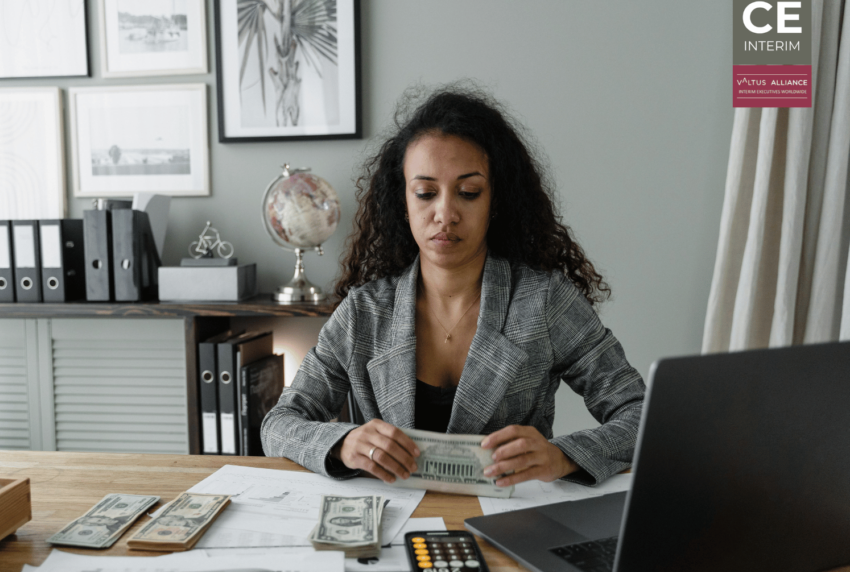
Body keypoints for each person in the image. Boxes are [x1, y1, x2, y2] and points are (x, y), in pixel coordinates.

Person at [260, 86, 646, 488]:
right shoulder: (363, 313)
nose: (445, 214)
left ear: (495, 200)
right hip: (390, 529)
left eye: (468, 192)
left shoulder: (544, 301)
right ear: (403, 202)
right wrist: (344, 443)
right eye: (425, 193)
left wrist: (562, 456)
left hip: (508, 526)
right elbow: (279, 424)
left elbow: (641, 413)